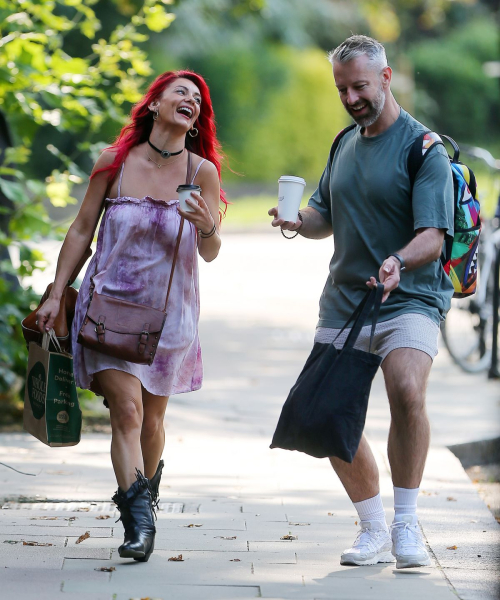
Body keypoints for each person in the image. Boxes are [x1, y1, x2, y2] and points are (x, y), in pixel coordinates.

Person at [269, 35, 454, 569]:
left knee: (405, 389)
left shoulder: (424, 149)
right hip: (346, 303)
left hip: (410, 299)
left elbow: (433, 237)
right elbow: (322, 215)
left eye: (360, 86)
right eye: (342, 88)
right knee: (326, 414)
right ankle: (373, 528)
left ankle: (406, 524)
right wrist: (296, 221)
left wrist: (397, 261)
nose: (350, 98)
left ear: (387, 78)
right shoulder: (343, 144)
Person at [36, 70, 225, 562]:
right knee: (128, 411)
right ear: (156, 104)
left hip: (171, 317)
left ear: (195, 119)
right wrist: (58, 293)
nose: (190, 101)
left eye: (197, 99)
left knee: (152, 421)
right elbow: (80, 231)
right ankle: (138, 523)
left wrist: (207, 226)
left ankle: (146, 499)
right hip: (108, 309)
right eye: (179, 92)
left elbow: (211, 252)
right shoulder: (114, 163)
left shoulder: (201, 172)